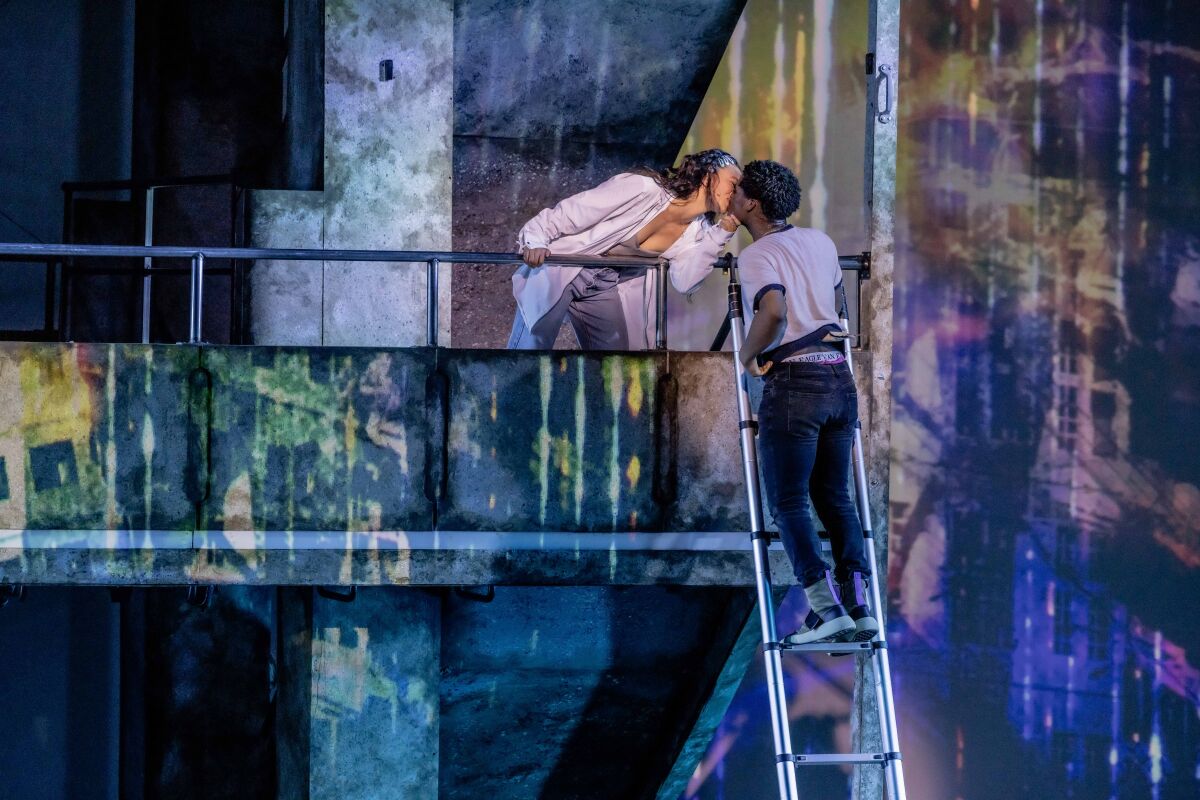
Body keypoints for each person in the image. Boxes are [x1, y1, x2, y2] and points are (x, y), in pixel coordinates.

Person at [728, 159, 879, 645]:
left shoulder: (755, 256)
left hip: (795, 382)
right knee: (836, 498)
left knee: (789, 501)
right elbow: (836, 303)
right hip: (839, 379)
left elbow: (773, 311)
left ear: (752, 202)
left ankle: (823, 606)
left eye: (736, 193)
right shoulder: (820, 241)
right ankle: (858, 603)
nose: (729, 200)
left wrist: (748, 357)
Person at [509, 149, 742, 350]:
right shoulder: (644, 188)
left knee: (615, 366)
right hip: (566, 267)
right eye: (733, 182)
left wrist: (723, 231)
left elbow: (685, 282)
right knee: (529, 354)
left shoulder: (697, 232)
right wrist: (535, 239)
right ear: (709, 173)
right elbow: (574, 211)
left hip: (604, 285)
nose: (736, 192)